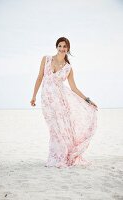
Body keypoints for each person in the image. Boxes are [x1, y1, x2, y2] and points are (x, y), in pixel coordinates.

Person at [30, 37, 98, 168]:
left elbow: (74, 88)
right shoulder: (46, 59)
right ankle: (56, 156)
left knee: (63, 129)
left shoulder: (68, 68)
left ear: (68, 49)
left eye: (64, 47)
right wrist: (33, 96)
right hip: (47, 100)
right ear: (56, 47)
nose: (62, 49)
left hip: (61, 101)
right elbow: (39, 77)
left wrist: (88, 100)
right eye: (60, 46)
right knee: (54, 128)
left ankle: (63, 156)